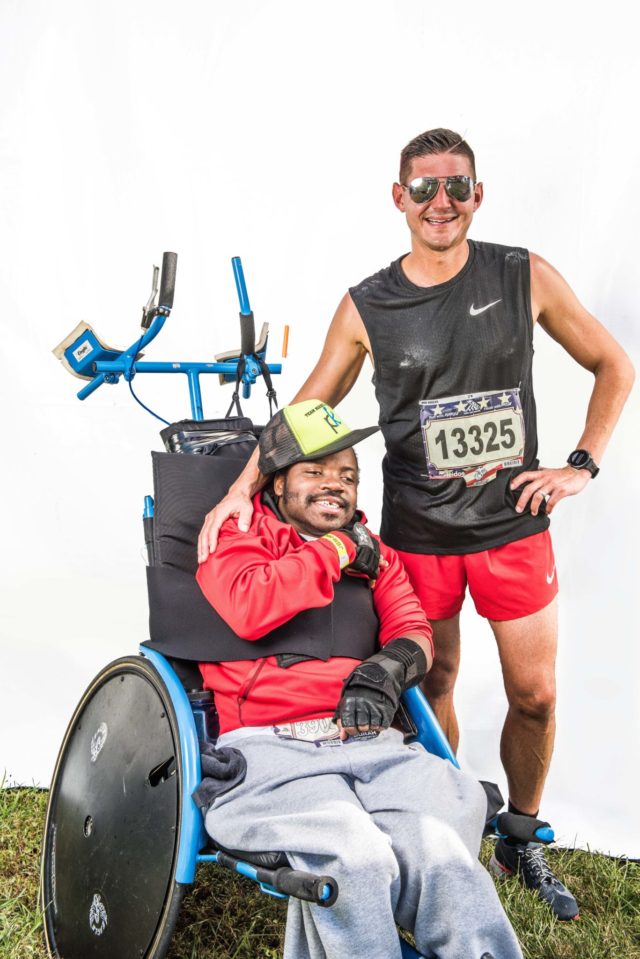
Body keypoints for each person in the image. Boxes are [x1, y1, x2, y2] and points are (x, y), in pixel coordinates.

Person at [197, 129, 635, 920]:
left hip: (513, 528)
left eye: (457, 186)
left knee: (533, 693)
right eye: (425, 188)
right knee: (430, 685)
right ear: (399, 199)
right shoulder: (368, 303)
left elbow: (615, 363)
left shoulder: (522, 273)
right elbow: (306, 409)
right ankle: (447, 829)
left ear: (478, 194)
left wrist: (582, 464)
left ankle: (521, 833)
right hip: (418, 534)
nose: (443, 202)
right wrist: (240, 488)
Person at [196, 398, 523, 959]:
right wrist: (339, 547)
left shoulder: (382, 559)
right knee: (355, 856)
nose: (335, 486)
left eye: (347, 476)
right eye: (316, 472)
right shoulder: (238, 536)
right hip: (274, 750)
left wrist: (384, 671)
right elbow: (252, 606)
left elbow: (416, 632)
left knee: (444, 845)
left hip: (371, 744)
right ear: (276, 486)